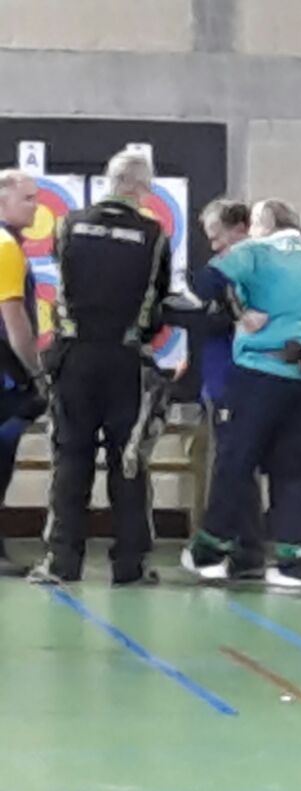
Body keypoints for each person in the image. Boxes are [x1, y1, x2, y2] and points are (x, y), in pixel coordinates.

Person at [181, 199, 301, 591]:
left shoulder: (255, 252)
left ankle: (208, 551)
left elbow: (203, 284)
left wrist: (240, 313)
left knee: (236, 460)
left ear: (263, 225)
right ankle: (292, 565)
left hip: (259, 371)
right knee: (294, 469)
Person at [33, 151, 171, 586]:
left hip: (74, 356)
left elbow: (62, 278)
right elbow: (158, 300)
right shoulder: (154, 235)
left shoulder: (68, 224)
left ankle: (61, 561)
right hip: (124, 359)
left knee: (70, 457)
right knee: (127, 460)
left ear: (110, 181)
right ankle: (130, 565)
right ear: (141, 187)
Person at [190, 198, 269, 578]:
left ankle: (246, 549)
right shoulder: (220, 274)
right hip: (222, 377)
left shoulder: (247, 271)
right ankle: (243, 547)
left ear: (241, 230)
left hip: (238, 379)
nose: (214, 245)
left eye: (218, 236)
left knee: (236, 464)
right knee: (235, 463)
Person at [0, 170, 45, 576]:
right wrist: (36, 373)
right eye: (27, 198)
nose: (36, 206)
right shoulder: (5, 247)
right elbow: (15, 319)